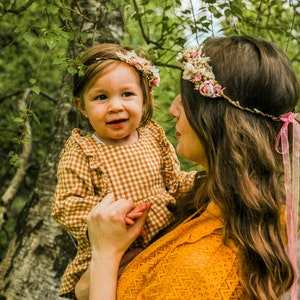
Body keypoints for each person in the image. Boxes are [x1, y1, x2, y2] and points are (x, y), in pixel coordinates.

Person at [75, 36, 300, 300]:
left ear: (218, 118)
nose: (172, 109)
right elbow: (85, 289)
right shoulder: (222, 205)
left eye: (187, 99)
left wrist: (104, 254)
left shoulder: (200, 270)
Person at [52, 43, 196, 299]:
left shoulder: (153, 136)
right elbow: (67, 204)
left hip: (164, 241)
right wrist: (113, 218)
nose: (115, 106)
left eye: (127, 94)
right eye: (101, 97)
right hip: (112, 253)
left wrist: (201, 182)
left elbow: (174, 183)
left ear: (145, 97)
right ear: (82, 106)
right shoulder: (83, 150)